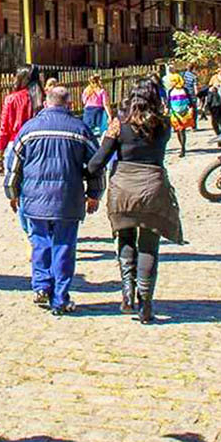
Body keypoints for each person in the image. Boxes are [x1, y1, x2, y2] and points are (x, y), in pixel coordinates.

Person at [86, 77, 181, 324]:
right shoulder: (163, 124)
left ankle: (127, 292)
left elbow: (99, 160)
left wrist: (81, 174)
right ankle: (146, 303)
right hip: (153, 186)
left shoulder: (119, 125)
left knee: (126, 238)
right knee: (149, 244)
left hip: (124, 188)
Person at [3, 86, 103, 316]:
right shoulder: (81, 129)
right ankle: (60, 298)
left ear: (46, 103)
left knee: (40, 243)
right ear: (69, 104)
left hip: (35, 199)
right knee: (64, 247)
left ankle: (41, 285)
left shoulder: (30, 129)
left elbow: (14, 164)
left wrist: (12, 192)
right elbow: (96, 165)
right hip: (68, 199)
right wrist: (94, 194)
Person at [0, 67, 36, 176]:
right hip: (37, 144)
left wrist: (0, 156)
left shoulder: (11, 99)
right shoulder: (41, 99)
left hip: (15, 144)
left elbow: (4, 129)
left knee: (13, 185)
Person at [164, 73, 194, 157]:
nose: (172, 83)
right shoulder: (170, 91)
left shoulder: (184, 90)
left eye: (173, 81)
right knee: (177, 130)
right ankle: (181, 145)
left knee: (182, 130)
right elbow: (168, 102)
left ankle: (183, 148)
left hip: (184, 113)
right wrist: (167, 109)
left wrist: (191, 109)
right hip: (175, 113)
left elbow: (190, 101)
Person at [180, 65, 199, 131]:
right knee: (193, 110)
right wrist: (197, 95)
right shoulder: (194, 76)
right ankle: (193, 126)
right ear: (193, 68)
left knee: (184, 110)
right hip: (191, 95)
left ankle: (183, 125)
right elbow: (195, 87)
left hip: (183, 94)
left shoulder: (182, 75)